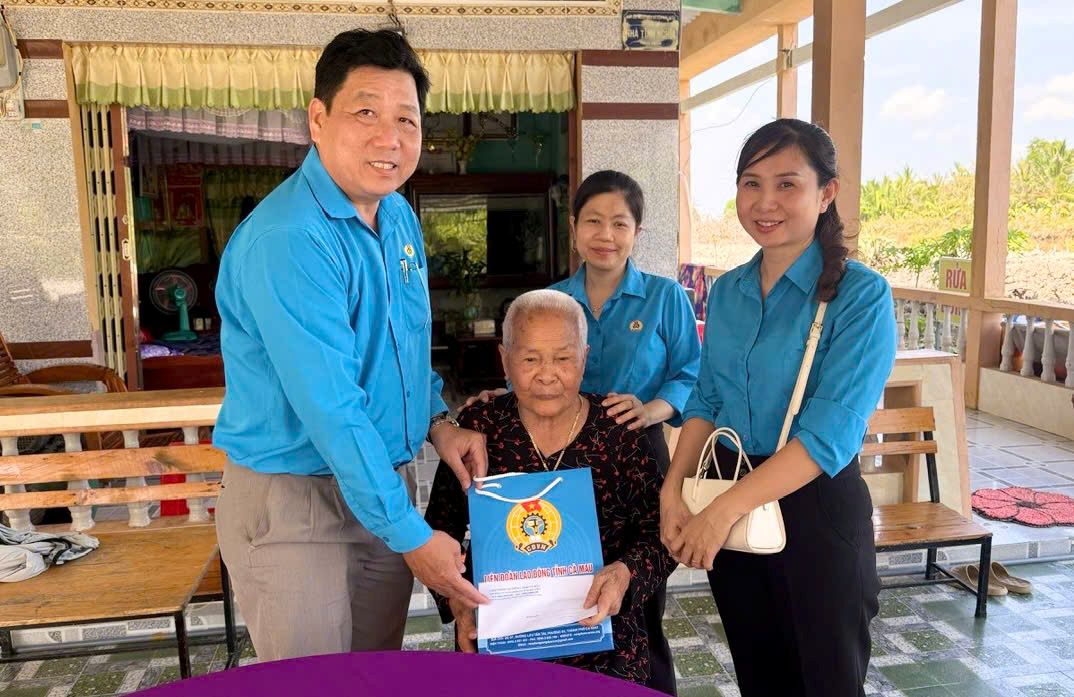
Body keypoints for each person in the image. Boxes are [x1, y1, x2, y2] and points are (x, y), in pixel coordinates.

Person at [212, 29, 487, 662]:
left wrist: (439, 423)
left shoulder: (398, 217)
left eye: (406, 119)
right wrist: (412, 534)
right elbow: (333, 408)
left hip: (380, 486)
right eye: (366, 112)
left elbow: (404, 350)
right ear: (318, 119)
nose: (389, 138)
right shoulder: (290, 238)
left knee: (373, 672)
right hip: (294, 504)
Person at [660, 119, 897, 697]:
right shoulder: (729, 292)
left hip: (814, 507)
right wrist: (673, 489)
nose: (765, 203)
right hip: (730, 489)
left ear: (826, 192)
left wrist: (720, 513)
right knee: (759, 674)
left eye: (787, 184)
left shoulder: (861, 296)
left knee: (826, 681)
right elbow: (707, 397)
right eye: (751, 183)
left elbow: (828, 435)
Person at [467, 171, 700, 695]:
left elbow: (693, 372)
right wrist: (497, 397)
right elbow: (530, 367)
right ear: (573, 228)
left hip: (633, 454)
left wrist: (652, 409)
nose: (605, 235)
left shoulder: (664, 297)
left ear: (637, 231)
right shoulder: (549, 298)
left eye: (620, 223)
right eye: (593, 221)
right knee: (553, 589)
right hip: (555, 458)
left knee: (635, 606)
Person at [425, 289, 676, 687]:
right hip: (500, 643)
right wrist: (457, 599)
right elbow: (439, 531)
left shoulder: (618, 431)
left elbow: (662, 533)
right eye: (529, 359)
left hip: (605, 645)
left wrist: (625, 573)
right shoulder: (479, 429)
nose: (546, 375)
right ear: (504, 359)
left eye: (563, 358)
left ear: (584, 357)